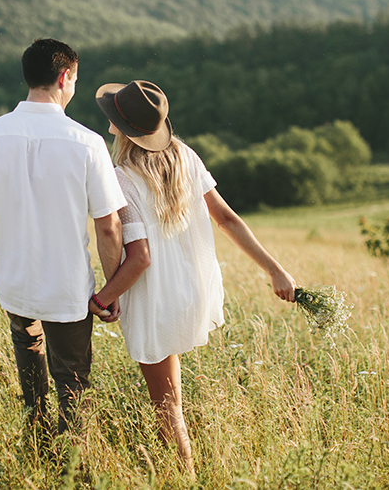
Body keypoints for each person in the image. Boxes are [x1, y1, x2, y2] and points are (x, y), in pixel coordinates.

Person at [88, 79, 297, 473]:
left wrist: (102, 298)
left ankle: (186, 477)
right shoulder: (186, 157)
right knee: (171, 403)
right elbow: (228, 219)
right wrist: (275, 270)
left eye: (113, 118)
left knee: (168, 408)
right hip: (191, 292)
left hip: (155, 301)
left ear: (121, 128)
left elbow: (140, 259)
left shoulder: (123, 178)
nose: (109, 123)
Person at [0, 38, 126, 435]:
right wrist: (112, 288)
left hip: (13, 282)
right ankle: (70, 468)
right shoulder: (88, 143)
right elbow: (108, 226)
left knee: (28, 362)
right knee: (73, 384)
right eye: (76, 80)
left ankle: (35, 441)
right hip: (67, 289)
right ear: (64, 77)